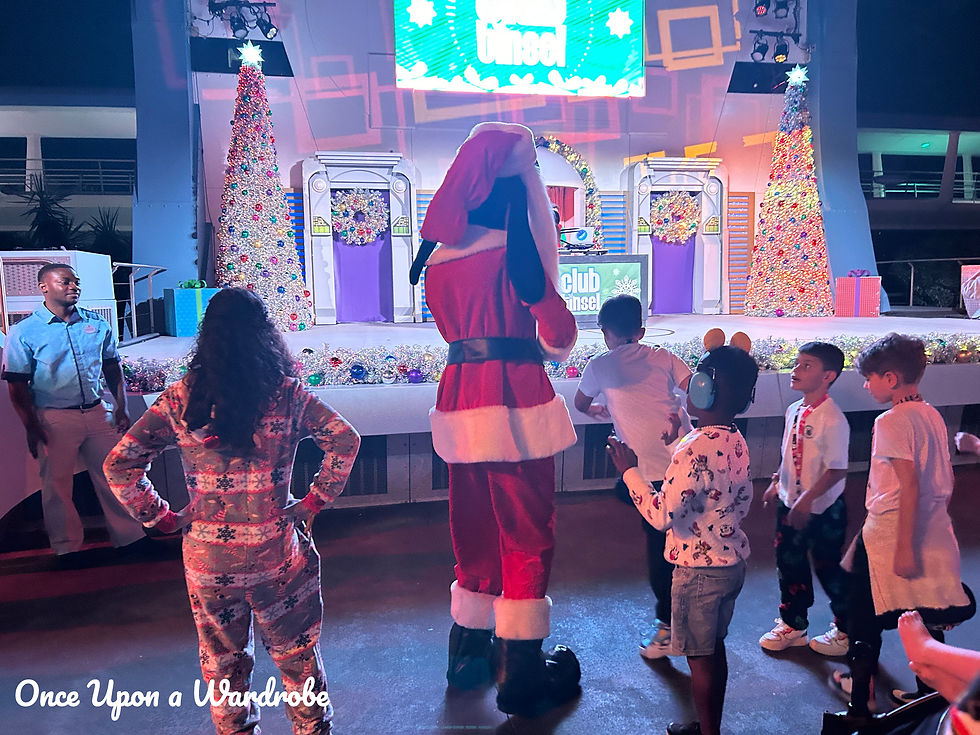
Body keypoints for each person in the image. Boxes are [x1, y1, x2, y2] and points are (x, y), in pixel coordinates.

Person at [102, 288, 360, 735]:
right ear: (263, 333)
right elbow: (344, 439)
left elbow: (119, 464)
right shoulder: (288, 396)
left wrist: (161, 517)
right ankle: (312, 728)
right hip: (277, 552)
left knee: (223, 663)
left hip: (208, 559)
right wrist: (314, 501)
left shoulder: (180, 399)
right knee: (297, 654)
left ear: (209, 335)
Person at [409, 122, 581, 717]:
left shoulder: (437, 261)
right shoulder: (516, 250)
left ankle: (468, 657)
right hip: (515, 400)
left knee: (473, 530)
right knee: (527, 530)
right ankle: (521, 671)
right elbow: (558, 337)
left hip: (460, 400)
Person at [608, 344, 760, 735]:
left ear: (704, 388)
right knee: (712, 650)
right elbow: (711, 479)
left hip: (697, 574)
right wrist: (678, 440)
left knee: (699, 659)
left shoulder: (694, 449)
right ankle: (710, 726)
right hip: (730, 566)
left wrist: (630, 472)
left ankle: (708, 732)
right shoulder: (734, 438)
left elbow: (661, 515)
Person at [833, 333, 971, 718]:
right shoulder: (932, 415)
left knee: (862, 616)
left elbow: (906, 485)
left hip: (893, 530)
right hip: (931, 527)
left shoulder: (891, 420)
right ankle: (930, 694)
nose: (866, 384)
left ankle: (861, 699)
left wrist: (903, 546)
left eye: (871, 377)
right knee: (926, 610)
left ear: (891, 379)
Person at [574, 294, 692, 659]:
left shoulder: (599, 365)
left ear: (604, 331)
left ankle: (669, 628)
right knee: (686, 540)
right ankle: (689, 618)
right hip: (685, 461)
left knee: (660, 550)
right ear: (641, 331)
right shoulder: (663, 356)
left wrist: (601, 409)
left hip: (646, 473)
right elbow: (695, 387)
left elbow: (580, 404)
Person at [1, 263, 145, 560]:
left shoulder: (96, 325)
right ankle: (67, 549)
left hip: (97, 413)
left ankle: (131, 539)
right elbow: (16, 384)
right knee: (57, 485)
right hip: (53, 418)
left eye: (75, 281)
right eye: (64, 281)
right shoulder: (24, 332)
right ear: (44, 287)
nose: (73, 286)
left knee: (116, 475)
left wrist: (121, 406)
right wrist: (31, 425)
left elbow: (111, 366)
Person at [760, 342, 851, 656]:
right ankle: (794, 624)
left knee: (829, 568)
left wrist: (806, 501)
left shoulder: (833, 419)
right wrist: (776, 482)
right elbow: (788, 454)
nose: (796, 370)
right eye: (797, 364)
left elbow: (836, 470)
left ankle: (846, 630)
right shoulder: (794, 410)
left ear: (829, 376)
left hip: (822, 510)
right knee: (789, 564)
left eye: (807, 365)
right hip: (791, 503)